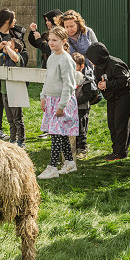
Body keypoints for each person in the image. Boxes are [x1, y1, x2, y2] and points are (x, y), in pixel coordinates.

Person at [37, 27, 80, 179]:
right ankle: (69, 163)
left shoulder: (66, 59)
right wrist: (43, 96)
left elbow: (69, 85)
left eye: (54, 40)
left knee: (55, 134)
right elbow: (48, 78)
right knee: (60, 134)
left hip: (62, 101)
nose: (51, 43)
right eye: (49, 40)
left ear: (63, 41)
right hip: (51, 100)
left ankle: (52, 167)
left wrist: (61, 106)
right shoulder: (51, 57)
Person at [86, 42, 130, 162]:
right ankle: (115, 150)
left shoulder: (115, 64)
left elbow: (126, 80)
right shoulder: (98, 67)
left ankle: (121, 152)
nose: (91, 62)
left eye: (92, 59)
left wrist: (108, 84)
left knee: (120, 124)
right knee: (112, 123)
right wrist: (100, 85)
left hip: (123, 96)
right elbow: (98, 79)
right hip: (111, 98)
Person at [0, 8, 26, 141]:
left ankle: (20, 139)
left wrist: (8, 47)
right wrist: (0, 47)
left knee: (16, 115)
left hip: (15, 82)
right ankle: (7, 135)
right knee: (3, 107)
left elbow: (18, 55)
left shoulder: (16, 35)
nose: (15, 21)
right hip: (1, 77)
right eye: (13, 18)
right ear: (8, 20)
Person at [71, 52, 98, 155]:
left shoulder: (86, 80)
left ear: (81, 66)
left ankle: (82, 148)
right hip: (70, 108)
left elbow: (87, 95)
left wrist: (74, 102)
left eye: (75, 66)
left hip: (81, 108)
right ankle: (72, 147)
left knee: (81, 128)